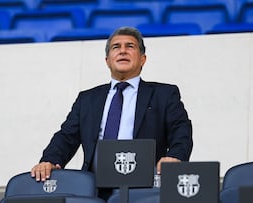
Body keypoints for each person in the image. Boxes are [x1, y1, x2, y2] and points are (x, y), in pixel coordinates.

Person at [31, 26, 193, 196]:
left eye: (130, 46)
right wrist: (49, 160)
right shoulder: (87, 99)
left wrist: (175, 157)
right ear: (107, 60)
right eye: (116, 47)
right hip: (95, 187)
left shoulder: (164, 94)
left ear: (143, 59)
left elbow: (181, 130)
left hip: (146, 186)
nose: (123, 51)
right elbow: (66, 137)